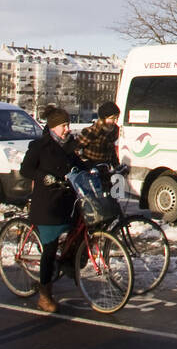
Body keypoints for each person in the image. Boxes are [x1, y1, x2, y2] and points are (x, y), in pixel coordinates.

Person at [19, 107, 85, 314]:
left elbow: (79, 166)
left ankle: (65, 264)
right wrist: (44, 177)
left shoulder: (68, 147)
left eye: (68, 124)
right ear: (53, 127)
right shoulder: (40, 146)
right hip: (47, 204)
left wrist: (97, 168)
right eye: (63, 125)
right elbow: (26, 169)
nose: (67, 129)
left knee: (79, 231)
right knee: (49, 248)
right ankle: (44, 295)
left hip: (66, 201)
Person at [77, 101, 120, 170]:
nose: (116, 121)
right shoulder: (92, 131)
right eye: (112, 118)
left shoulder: (114, 130)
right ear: (104, 118)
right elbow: (75, 148)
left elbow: (112, 150)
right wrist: (83, 161)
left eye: (117, 118)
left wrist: (117, 166)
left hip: (105, 167)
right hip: (91, 168)